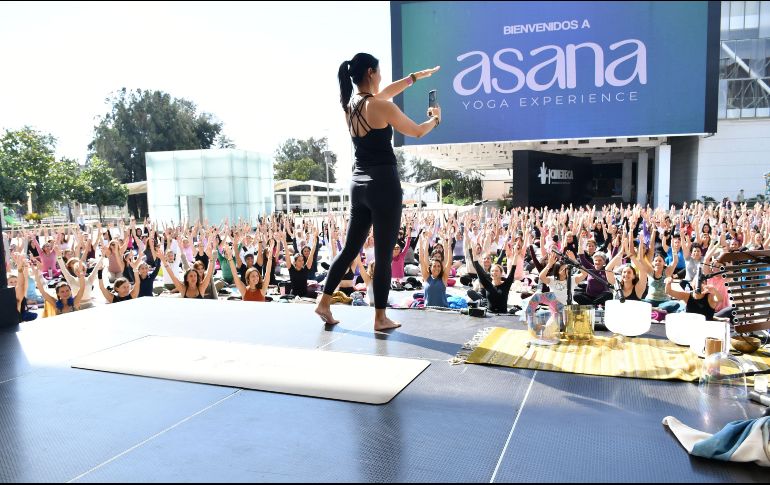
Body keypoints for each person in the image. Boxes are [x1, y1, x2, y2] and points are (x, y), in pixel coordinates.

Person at [315, 53, 441, 330]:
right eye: (380, 71)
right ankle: (380, 317)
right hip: (383, 184)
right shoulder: (381, 108)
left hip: (358, 185)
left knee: (349, 249)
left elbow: (384, 92)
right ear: (371, 72)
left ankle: (323, 302)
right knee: (384, 256)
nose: (382, 77)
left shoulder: (351, 106)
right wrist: (435, 120)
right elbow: (418, 131)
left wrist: (414, 78)